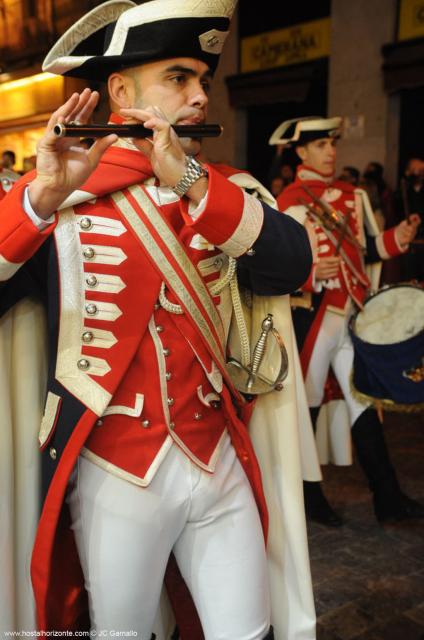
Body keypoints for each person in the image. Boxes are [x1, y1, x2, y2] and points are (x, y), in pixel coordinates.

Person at [0, 1, 314, 637]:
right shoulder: (61, 196)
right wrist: (39, 197)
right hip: (115, 475)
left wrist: (194, 182)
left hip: (219, 458)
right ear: (121, 90)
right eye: (178, 78)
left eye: (202, 79)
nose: (200, 97)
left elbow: (291, 264)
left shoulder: (225, 189)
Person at [271, 116, 423, 527]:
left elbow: (368, 249)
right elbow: (276, 262)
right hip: (316, 319)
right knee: (307, 406)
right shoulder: (288, 200)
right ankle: (307, 497)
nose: (331, 152)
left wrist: (399, 238)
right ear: (301, 152)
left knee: (363, 405)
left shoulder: (350, 196)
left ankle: (387, 497)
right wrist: (310, 272)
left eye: (333, 145)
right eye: (321, 146)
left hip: (351, 316)